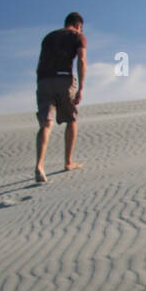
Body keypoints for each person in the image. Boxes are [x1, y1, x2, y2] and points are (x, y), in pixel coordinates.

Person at [34, 12, 87, 182]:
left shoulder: (48, 37)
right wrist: (81, 88)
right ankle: (68, 162)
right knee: (71, 120)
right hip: (64, 79)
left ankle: (39, 165)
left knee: (46, 124)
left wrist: (41, 83)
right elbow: (81, 60)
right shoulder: (78, 36)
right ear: (78, 25)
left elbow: (40, 62)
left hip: (44, 81)